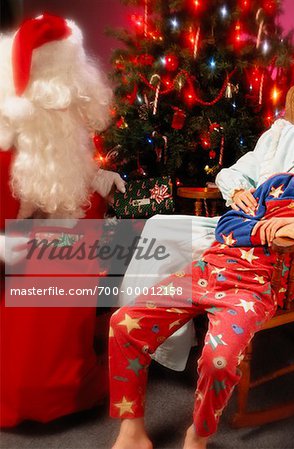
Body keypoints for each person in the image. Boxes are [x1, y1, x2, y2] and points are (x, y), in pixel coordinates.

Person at [109, 120, 294, 449]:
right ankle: (132, 431)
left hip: (254, 292)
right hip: (210, 267)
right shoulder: (279, 184)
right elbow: (227, 225)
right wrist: (269, 229)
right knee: (123, 324)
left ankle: (198, 437)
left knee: (219, 359)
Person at [121, 76, 294, 371]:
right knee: (158, 226)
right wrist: (236, 189)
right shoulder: (281, 135)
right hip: (240, 226)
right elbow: (235, 171)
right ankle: (146, 331)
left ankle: (155, 343)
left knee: (174, 245)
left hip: (273, 250)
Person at [0, 13, 125, 427]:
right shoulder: (8, 133)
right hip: (13, 246)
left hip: (43, 230)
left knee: (79, 252)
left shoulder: (58, 118)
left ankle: (72, 367)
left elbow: (61, 176)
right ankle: (45, 388)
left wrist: (97, 177)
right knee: (59, 265)